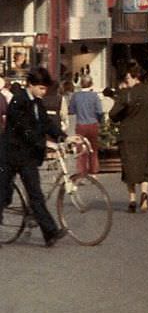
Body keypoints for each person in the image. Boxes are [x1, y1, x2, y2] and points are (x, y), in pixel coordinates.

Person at [0, 67, 67, 246]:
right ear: (31, 85)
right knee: (2, 194)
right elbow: (24, 130)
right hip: (9, 154)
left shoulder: (37, 102)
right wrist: (43, 143)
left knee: (35, 194)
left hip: (27, 157)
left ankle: (50, 232)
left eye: (45, 89)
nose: (43, 92)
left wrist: (63, 136)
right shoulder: (18, 101)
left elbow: (46, 123)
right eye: (41, 88)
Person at [110, 61, 148, 213]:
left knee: (129, 167)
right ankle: (145, 193)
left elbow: (113, 114)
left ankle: (132, 199)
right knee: (144, 165)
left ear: (131, 76)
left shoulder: (126, 94)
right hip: (145, 135)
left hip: (127, 135)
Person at [68, 75, 103, 176]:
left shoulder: (76, 96)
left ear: (81, 84)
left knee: (81, 149)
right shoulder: (94, 96)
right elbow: (99, 111)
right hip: (93, 124)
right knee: (93, 148)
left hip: (81, 124)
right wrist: (99, 120)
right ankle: (93, 171)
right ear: (91, 84)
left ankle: (81, 172)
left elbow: (71, 110)